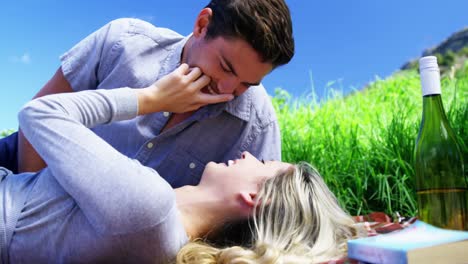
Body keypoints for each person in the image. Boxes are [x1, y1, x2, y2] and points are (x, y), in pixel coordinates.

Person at [1, 65, 359, 264]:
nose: (250, 155)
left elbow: (39, 113)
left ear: (255, 196)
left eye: (264, 163)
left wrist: (151, 98)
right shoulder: (166, 235)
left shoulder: (149, 206)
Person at [0, 0, 295, 189]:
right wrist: (28, 204)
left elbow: (264, 216)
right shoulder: (124, 42)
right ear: (202, 25)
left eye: (247, 84)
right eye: (225, 67)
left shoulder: (256, 122)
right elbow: (37, 116)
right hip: (28, 164)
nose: (229, 90)